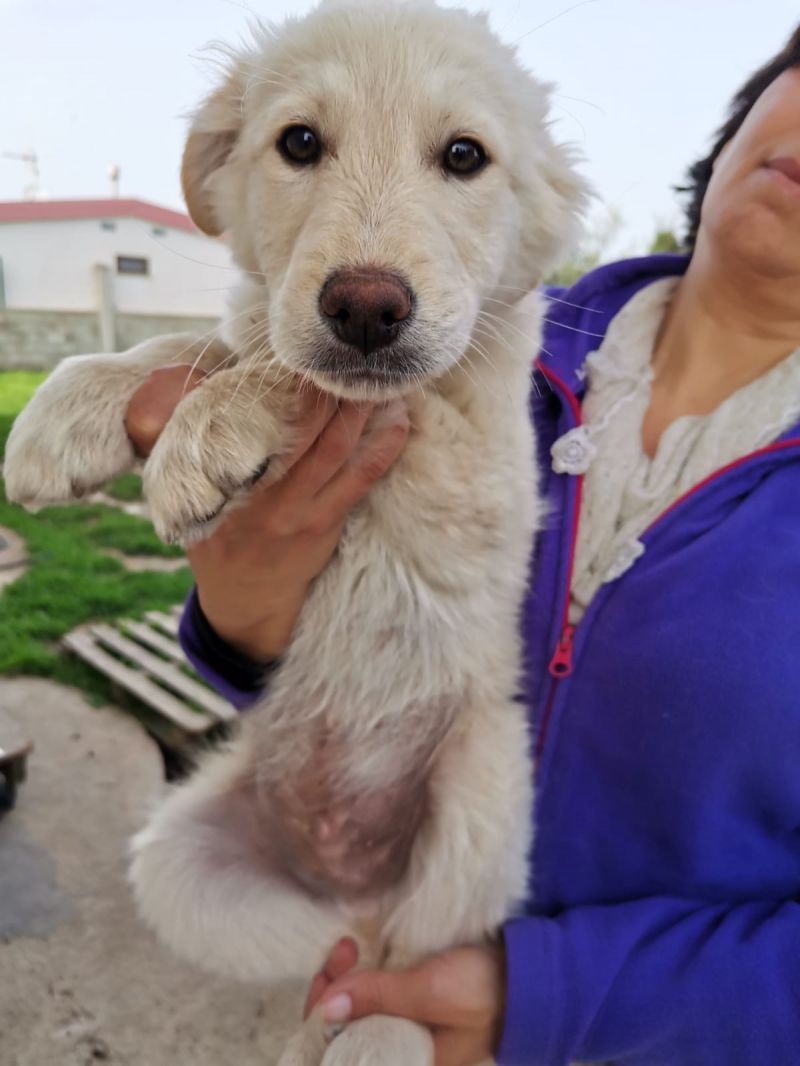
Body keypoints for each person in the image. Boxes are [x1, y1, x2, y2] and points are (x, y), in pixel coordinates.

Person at [125, 25, 800, 1066]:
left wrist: (544, 993)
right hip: (364, 965)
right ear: (747, 108)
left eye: (458, 155)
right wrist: (238, 619)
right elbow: (319, 653)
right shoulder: (472, 345)